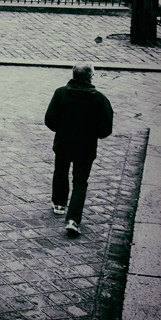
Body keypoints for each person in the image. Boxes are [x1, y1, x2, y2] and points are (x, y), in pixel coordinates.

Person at [44, 63, 114, 237]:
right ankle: (73, 219)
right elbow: (106, 129)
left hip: (63, 143)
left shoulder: (60, 93)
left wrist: (61, 129)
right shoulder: (99, 99)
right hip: (86, 147)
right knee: (80, 182)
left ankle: (59, 204)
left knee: (60, 172)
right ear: (91, 77)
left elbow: (49, 119)